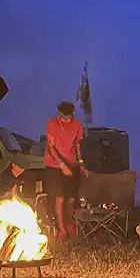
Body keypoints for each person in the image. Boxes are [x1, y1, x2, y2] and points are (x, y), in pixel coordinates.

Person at [44, 101, 86, 242]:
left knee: (71, 198)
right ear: (59, 114)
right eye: (63, 118)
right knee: (60, 197)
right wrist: (61, 165)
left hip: (71, 164)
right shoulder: (52, 124)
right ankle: (61, 229)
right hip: (54, 165)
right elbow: (51, 146)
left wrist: (80, 163)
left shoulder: (77, 125)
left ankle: (69, 223)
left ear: (73, 114)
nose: (66, 121)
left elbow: (77, 145)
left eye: (68, 118)